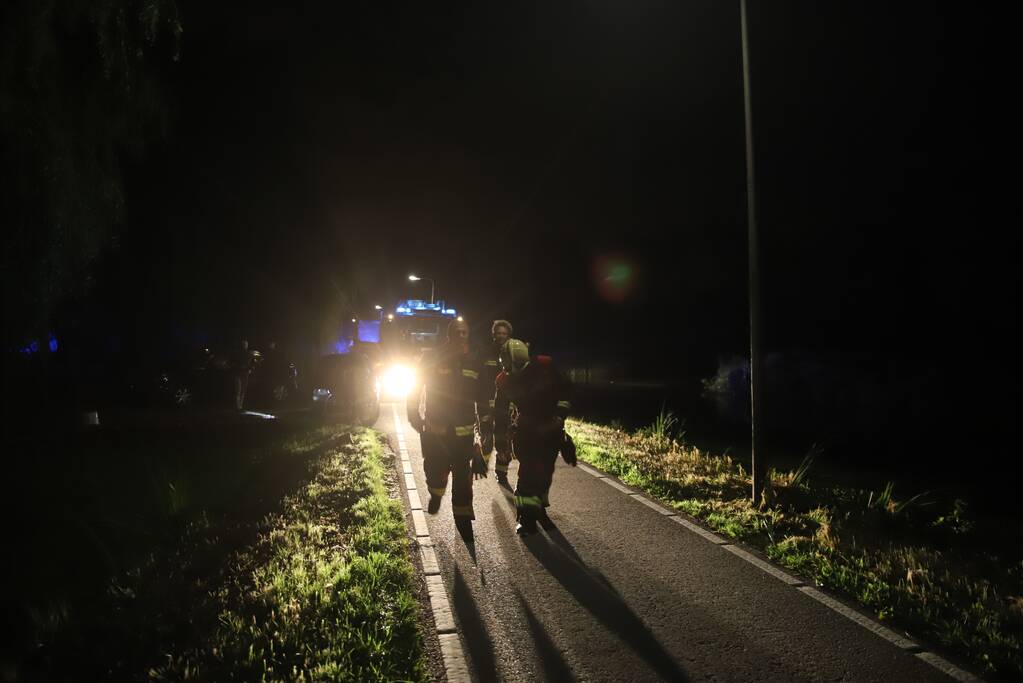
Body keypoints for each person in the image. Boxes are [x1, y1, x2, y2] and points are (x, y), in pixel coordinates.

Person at [407, 318, 489, 543]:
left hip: (463, 435)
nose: (461, 336)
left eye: (465, 333)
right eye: (457, 332)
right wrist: (414, 416)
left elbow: (482, 395)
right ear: (448, 335)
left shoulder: (474, 360)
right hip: (436, 432)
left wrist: (485, 426)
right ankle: (436, 493)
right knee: (435, 472)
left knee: (463, 479)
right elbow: (415, 386)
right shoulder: (433, 357)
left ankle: (463, 522)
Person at [493, 338, 574, 535]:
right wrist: (500, 442)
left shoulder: (545, 366)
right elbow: (501, 412)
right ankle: (525, 518)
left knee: (545, 474)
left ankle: (538, 510)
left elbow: (566, 391)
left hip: (551, 429)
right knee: (528, 474)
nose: (515, 371)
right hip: (526, 430)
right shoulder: (503, 380)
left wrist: (559, 417)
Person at [476, 319, 513, 487]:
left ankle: (501, 473)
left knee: (504, 440)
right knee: (487, 438)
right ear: (494, 334)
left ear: (508, 335)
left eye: (504, 333)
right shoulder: (485, 353)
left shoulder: (513, 353)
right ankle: (481, 465)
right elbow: (479, 379)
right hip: (485, 401)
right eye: (498, 333)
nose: (501, 336)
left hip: (506, 404)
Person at [231, 339, 256, 410]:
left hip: (245, 374)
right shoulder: (237, 353)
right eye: (243, 344)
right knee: (238, 389)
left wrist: (249, 369)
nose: (244, 346)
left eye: (246, 344)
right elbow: (233, 363)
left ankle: (240, 405)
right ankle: (238, 406)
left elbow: (253, 363)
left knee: (243, 390)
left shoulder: (249, 353)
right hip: (238, 373)